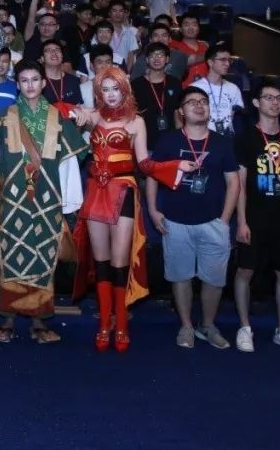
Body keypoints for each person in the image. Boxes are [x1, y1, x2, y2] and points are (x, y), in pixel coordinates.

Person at [68, 67, 191, 352]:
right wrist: (76, 113)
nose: (111, 95)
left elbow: (144, 164)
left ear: (125, 90)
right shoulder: (92, 116)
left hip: (122, 189)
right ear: (99, 92)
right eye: (105, 89)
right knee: (101, 262)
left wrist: (174, 166)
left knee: (119, 262)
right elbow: (61, 112)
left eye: (116, 89)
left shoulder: (136, 121)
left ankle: (121, 324)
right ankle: (104, 323)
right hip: (95, 191)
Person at [0, 59, 85, 347]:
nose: (30, 85)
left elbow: (69, 163)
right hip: (13, 200)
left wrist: (69, 203)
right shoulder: (5, 115)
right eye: (24, 80)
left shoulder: (58, 118)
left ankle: (39, 321)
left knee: (44, 256)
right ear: (18, 84)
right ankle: (7, 321)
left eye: (35, 79)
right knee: (11, 256)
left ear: (43, 83)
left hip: (48, 200)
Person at [146, 86, 240, 350]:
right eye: (192, 102)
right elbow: (153, 175)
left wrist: (224, 220)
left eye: (203, 101)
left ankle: (207, 325)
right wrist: (153, 210)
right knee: (181, 276)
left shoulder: (222, 142)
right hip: (175, 222)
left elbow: (233, 182)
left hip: (213, 222)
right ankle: (186, 325)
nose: (199, 106)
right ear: (181, 112)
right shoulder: (168, 141)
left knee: (214, 280)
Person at [233, 77, 280, 353]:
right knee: (245, 271)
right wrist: (241, 220)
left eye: (278, 98)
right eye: (268, 98)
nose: (275, 103)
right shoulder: (246, 138)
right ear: (256, 102)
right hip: (254, 216)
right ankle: (244, 327)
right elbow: (240, 183)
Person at [132, 41, 182, 150]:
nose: (156, 58)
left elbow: (177, 112)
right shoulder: (136, 84)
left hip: (171, 143)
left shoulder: (175, 83)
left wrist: (180, 139)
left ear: (167, 59)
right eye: (152, 55)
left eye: (160, 55)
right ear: (146, 60)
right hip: (145, 143)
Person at [190, 44, 244, 135]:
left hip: (227, 137)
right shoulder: (195, 88)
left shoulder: (233, 88)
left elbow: (235, 118)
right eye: (223, 60)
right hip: (202, 136)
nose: (227, 64)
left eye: (229, 60)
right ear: (210, 62)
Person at [40, 39, 83, 105]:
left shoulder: (74, 81)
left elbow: (79, 106)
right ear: (42, 58)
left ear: (62, 56)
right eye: (48, 50)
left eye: (57, 50)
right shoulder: (37, 82)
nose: (54, 52)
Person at [170, 13, 209, 86]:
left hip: (206, 90)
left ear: (198, 28)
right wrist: (212, 53)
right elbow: (183, 61)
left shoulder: (205, 47)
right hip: (184, 90)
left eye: (194, 24)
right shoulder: (174, 47)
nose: (191, 28)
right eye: (186, 25)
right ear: (180, 29)